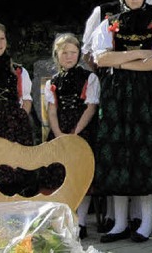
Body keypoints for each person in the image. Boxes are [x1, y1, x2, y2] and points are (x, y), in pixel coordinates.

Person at [91, 0, 152, 243]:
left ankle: (146, 222)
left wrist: (122, 60)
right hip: (116, 95)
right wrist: (140, 53)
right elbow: (101, 59)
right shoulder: (109, 21)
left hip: (145, 95)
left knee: (144, 154)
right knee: (117, 154)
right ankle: (118, 222)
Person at [81, 0, 152, 233]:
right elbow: (91, 54)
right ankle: (115, 217)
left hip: (142, 89)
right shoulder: (103, 13)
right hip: (111, 87)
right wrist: (117, 67)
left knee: (140, 150)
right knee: (118, 150)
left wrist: (120, 61)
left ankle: (139, 217)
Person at [43, 33, 100, 239]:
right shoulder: (53, 82)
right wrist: (59, 134)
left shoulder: (89, 78)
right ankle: (65, 219)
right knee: (59, 174)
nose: (69, 57)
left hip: (82, 130)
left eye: (73, 53)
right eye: (64, 53)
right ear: (57, 55)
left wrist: (76, 133)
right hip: (60, 131)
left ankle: (81, 221)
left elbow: (91, 107)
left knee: (81, 175)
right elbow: (51, 110)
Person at [0, 22, 36, 197]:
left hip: (14, 127)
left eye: (2, 38)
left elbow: (26, 99)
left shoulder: (18, 70)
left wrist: (19, 120)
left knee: (15, 172)